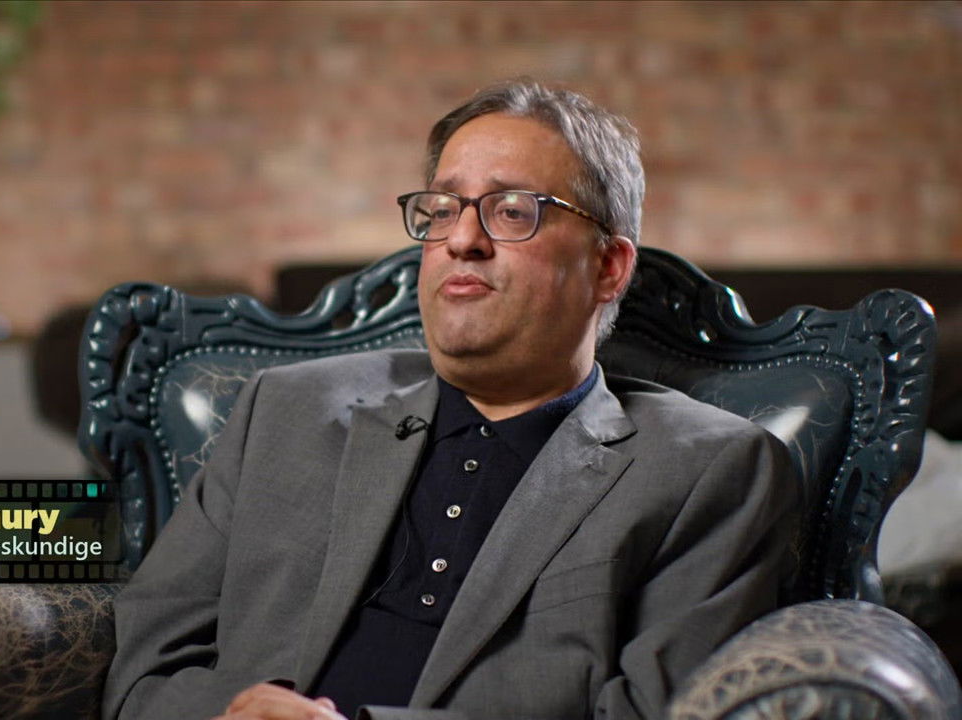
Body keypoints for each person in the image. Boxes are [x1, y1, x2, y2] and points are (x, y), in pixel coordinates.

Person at [103, 79, 799, 720]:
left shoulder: (709, 472)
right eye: (441, 210)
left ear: (608, 267)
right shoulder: (284, 411)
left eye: (513, 211)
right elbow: (143, 667)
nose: (462, 240)